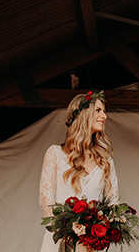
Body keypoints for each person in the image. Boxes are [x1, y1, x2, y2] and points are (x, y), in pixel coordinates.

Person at [39, 91, 119, 252]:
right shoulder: (55, 153)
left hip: (93, 245)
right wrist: (70, 230)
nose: (104, 116)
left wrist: (97, 231)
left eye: (104, 111)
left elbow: (113, 202)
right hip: (61, 241)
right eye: (98, 110)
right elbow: (46, 202)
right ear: (83, 114)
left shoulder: (106, 159)